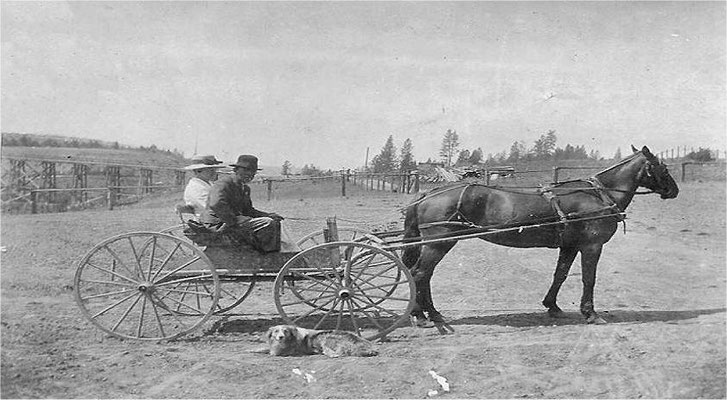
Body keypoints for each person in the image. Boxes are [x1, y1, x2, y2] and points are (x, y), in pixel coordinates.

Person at [200, 155, 285, 253]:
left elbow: (248, 210)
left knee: (274, 221)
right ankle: (269, 257)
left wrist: (268, 215)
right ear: (236, 170)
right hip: (217, 225)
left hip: (230, 224)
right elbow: (216, 204)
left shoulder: (244, 188)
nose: (250, 174)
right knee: (267, 223)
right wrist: (235, 219)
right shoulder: (224, 183)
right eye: (245, 170)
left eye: (253, 171)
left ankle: (269, 253)